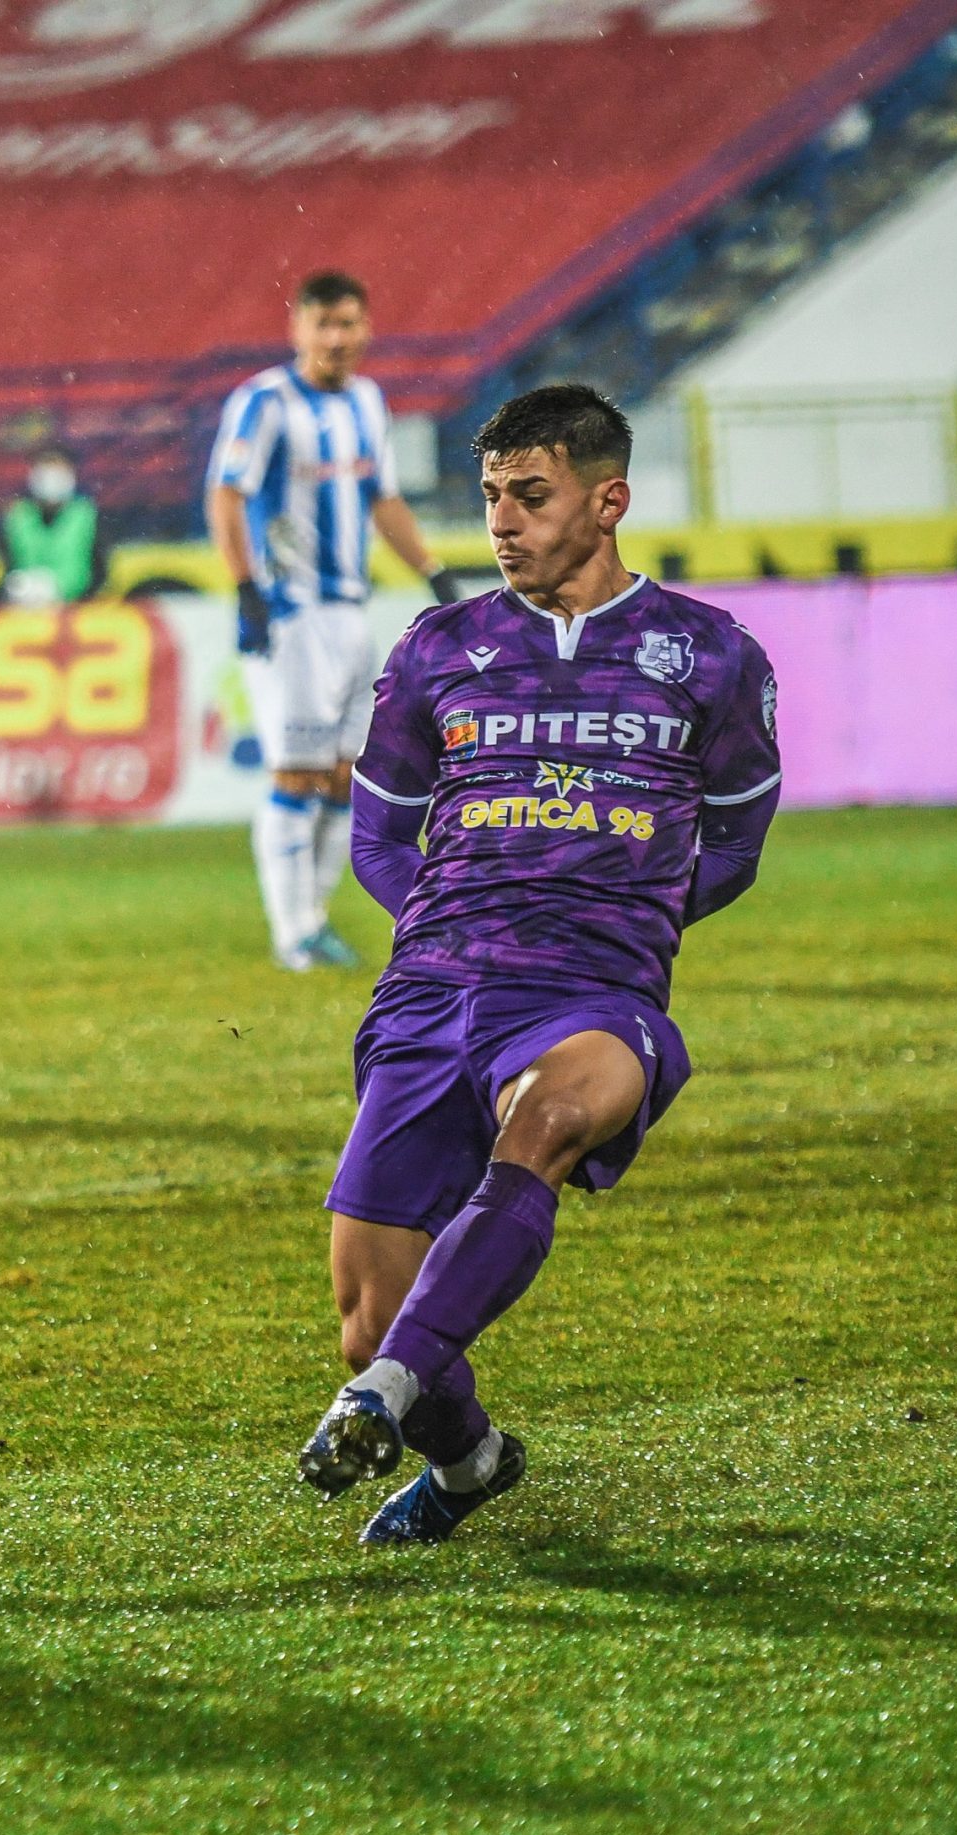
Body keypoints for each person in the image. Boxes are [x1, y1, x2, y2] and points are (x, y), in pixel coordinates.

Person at [298, 385, 781, 1544]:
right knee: (370, 1315)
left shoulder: (710, 659)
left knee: (555, 1115)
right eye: (491, 499)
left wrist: (619, 929)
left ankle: (376, 1402)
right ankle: (468, 1461)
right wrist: (451, 926)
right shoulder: (440, 649)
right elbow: (377, 835)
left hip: (590, 995)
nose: (502, 523)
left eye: (531, 496)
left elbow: (734, 846)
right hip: (434, 987)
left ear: (606, 500)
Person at [206, 269, 461, 972]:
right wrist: (246, 589)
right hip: (290, 614)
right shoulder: (264, 403)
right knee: (295, 775)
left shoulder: (368, 403)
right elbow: (226, 496)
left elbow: (384, 499)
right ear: (298, 329)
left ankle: (314, 921)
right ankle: (294, 935)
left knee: (348, 776)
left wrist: (434, 572)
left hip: (350, 613)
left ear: (366, 329)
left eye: (349, 324)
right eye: (324, 324)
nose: (337, 338)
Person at [0, 448, 99, 604]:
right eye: (45, 473)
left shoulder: (86, 514)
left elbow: (99, 570)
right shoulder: (18, 515)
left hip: (76, 606)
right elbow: (7, 564)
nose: (51, 481)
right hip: (25, 605)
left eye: (58, 473)